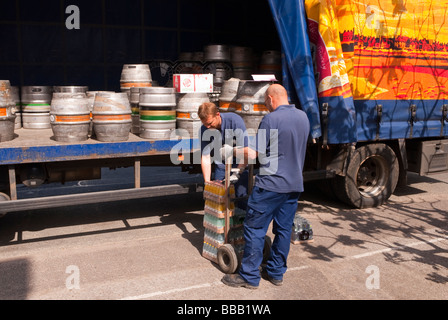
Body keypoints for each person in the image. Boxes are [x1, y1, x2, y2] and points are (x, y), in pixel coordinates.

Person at [221, 84, 310, 289]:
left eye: (265, 103)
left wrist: (232, 150)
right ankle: (276, 273)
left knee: (254, 228)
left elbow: (254, 154)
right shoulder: (303, 117)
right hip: (294, 185)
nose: (265, 106)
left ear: (270, 98)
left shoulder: (271, 119)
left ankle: (249, 277)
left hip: (270, 185)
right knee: (283, 230)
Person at [198, 102, 249, 207]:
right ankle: (222, 223)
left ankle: (242, 222)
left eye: (210, 123)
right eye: (205, 124)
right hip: (221, 165)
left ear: (217, 115)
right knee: (219, 199)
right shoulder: (204, 130)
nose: (207, 127)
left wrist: (237, 173)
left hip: (238, 164)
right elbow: (206, 157)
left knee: (241, 197)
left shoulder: (234, 121)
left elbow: (246, 152)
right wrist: (207, 182)